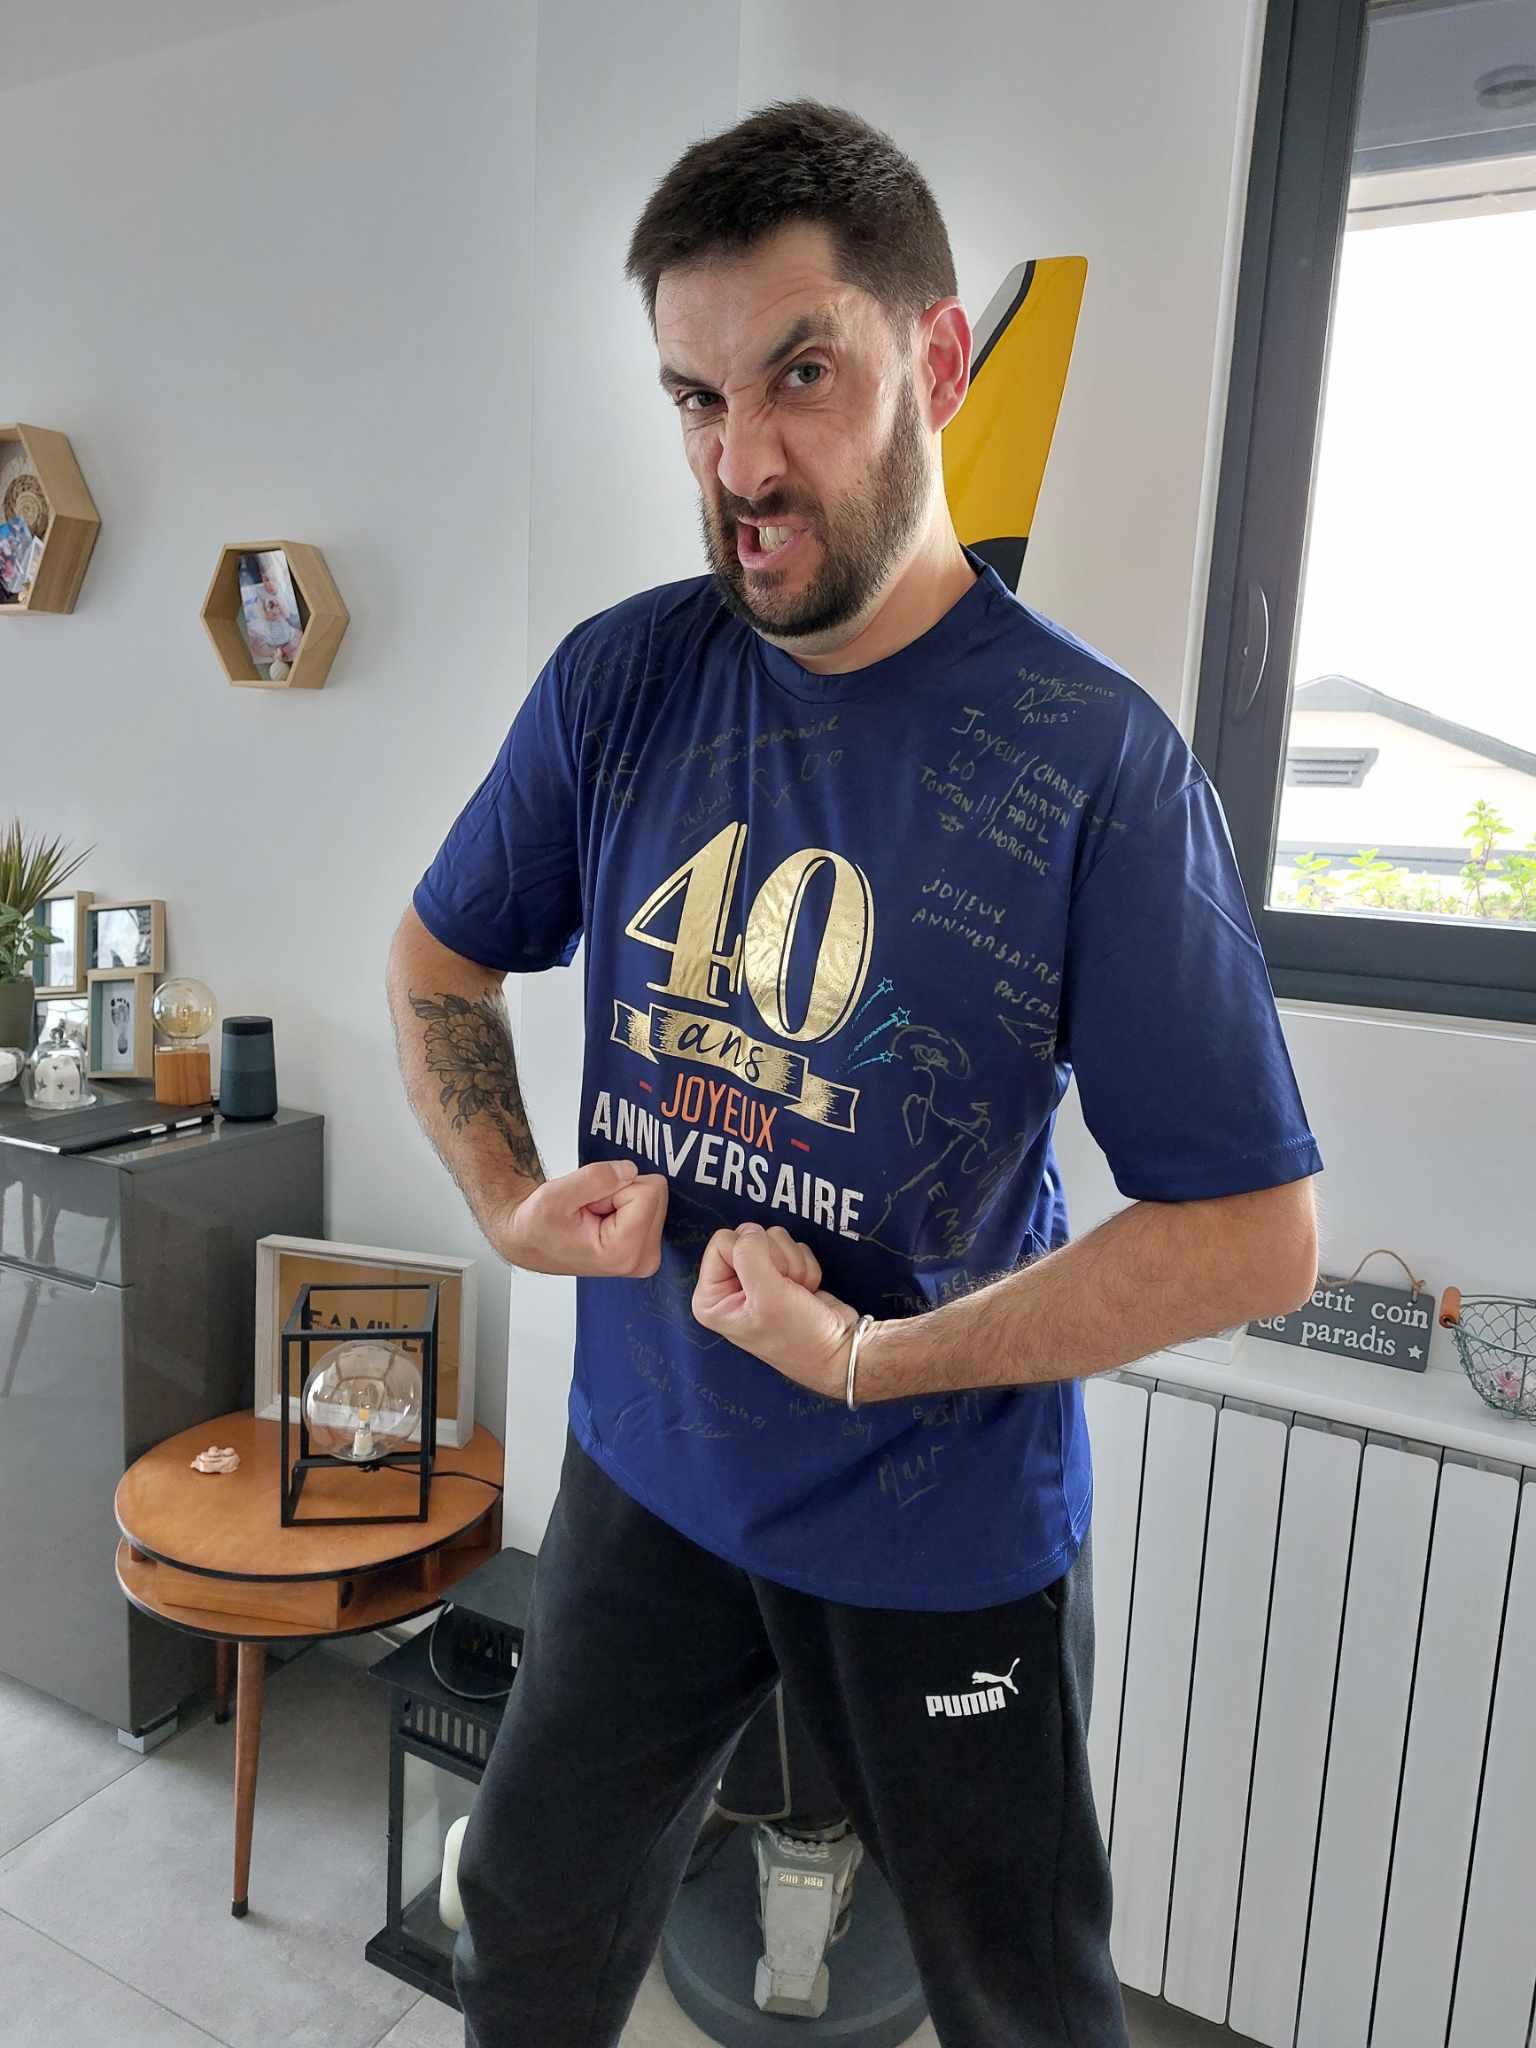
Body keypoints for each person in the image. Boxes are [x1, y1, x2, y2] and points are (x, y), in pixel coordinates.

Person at [388, 97, 1323, 2048]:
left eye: (799, 375)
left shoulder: (1097, 763)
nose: (741, 462)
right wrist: (508, 1199)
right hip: (648, 1467)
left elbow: (1254, 1234)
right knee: (531, 1929)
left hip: (937, 1520)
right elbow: (437, 958)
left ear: (940, 360)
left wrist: (871, 1358)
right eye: (696, 398)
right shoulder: (623, 683)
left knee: (1019, 2004)